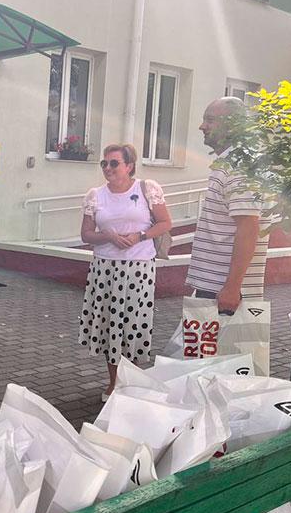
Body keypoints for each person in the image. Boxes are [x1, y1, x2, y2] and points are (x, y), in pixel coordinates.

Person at [78, 144, 171, 401]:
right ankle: (114, 382)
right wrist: (107, 236)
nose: (107, 168)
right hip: (105, 269)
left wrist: (140, 235)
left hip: (138, 268)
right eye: (104, 163)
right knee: (110, 325)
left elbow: (165, 222)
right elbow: (86, 234)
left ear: (129, 166)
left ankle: (132, 382)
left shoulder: (147, 189)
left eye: (114, 163)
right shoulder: (95, 195)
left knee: (133, 324)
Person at [186, 97, 268, 312]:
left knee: (220, 338)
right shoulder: (230, 162)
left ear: (233, 125)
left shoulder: (240, 166)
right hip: (215, 286)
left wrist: (232, 287)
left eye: (210, 120)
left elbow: (248, 227)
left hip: (225, 293)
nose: (202, 126)